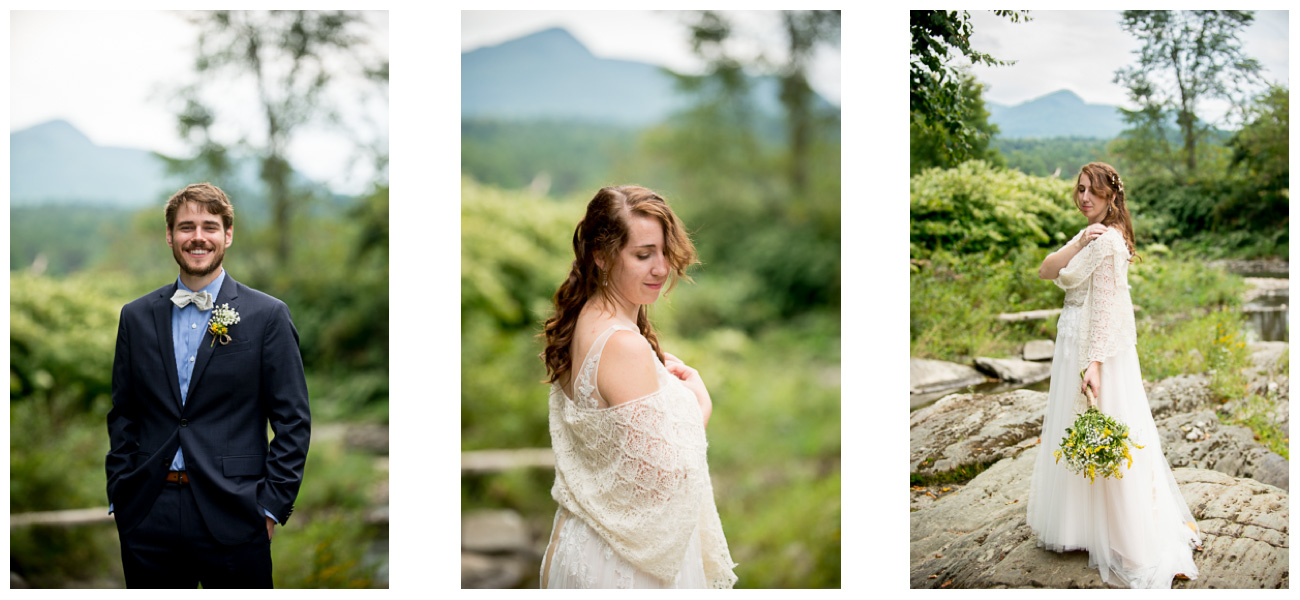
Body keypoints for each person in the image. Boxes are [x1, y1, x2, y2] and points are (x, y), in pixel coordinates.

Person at [106, 183, 311, 588]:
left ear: (227, 235)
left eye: (209, 226)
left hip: (236, 512)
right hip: (149, 512)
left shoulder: (267, 316)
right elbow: (124, 412)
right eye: (186, 227)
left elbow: (293, 421)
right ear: (170, 235)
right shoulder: (135, 317)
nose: (197, 237)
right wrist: (122, 494)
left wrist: (270, 507)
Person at [537, 185, 737, 589]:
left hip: (585, 544)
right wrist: (699, 405)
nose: (661, 268)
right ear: (602, 256)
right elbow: (663, 479)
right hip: (623, 568)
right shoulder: (623, 345)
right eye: (643, 255)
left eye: (664, 252)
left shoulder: (581, 320)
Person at [1028, 163, 1201, 588]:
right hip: (1072, 340)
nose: (1085, 197)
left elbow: (1106, 308)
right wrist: (1077, 242)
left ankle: (1126, 535)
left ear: (1111, 197)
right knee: (1078, 432)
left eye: (1094, 192)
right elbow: (1047, 271)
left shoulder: (1110, 243)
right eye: (1081, 189)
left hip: (1093, 347)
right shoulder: (1091, 235)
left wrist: (1095, 364)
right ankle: (1080, 527)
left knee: (1105, 433)